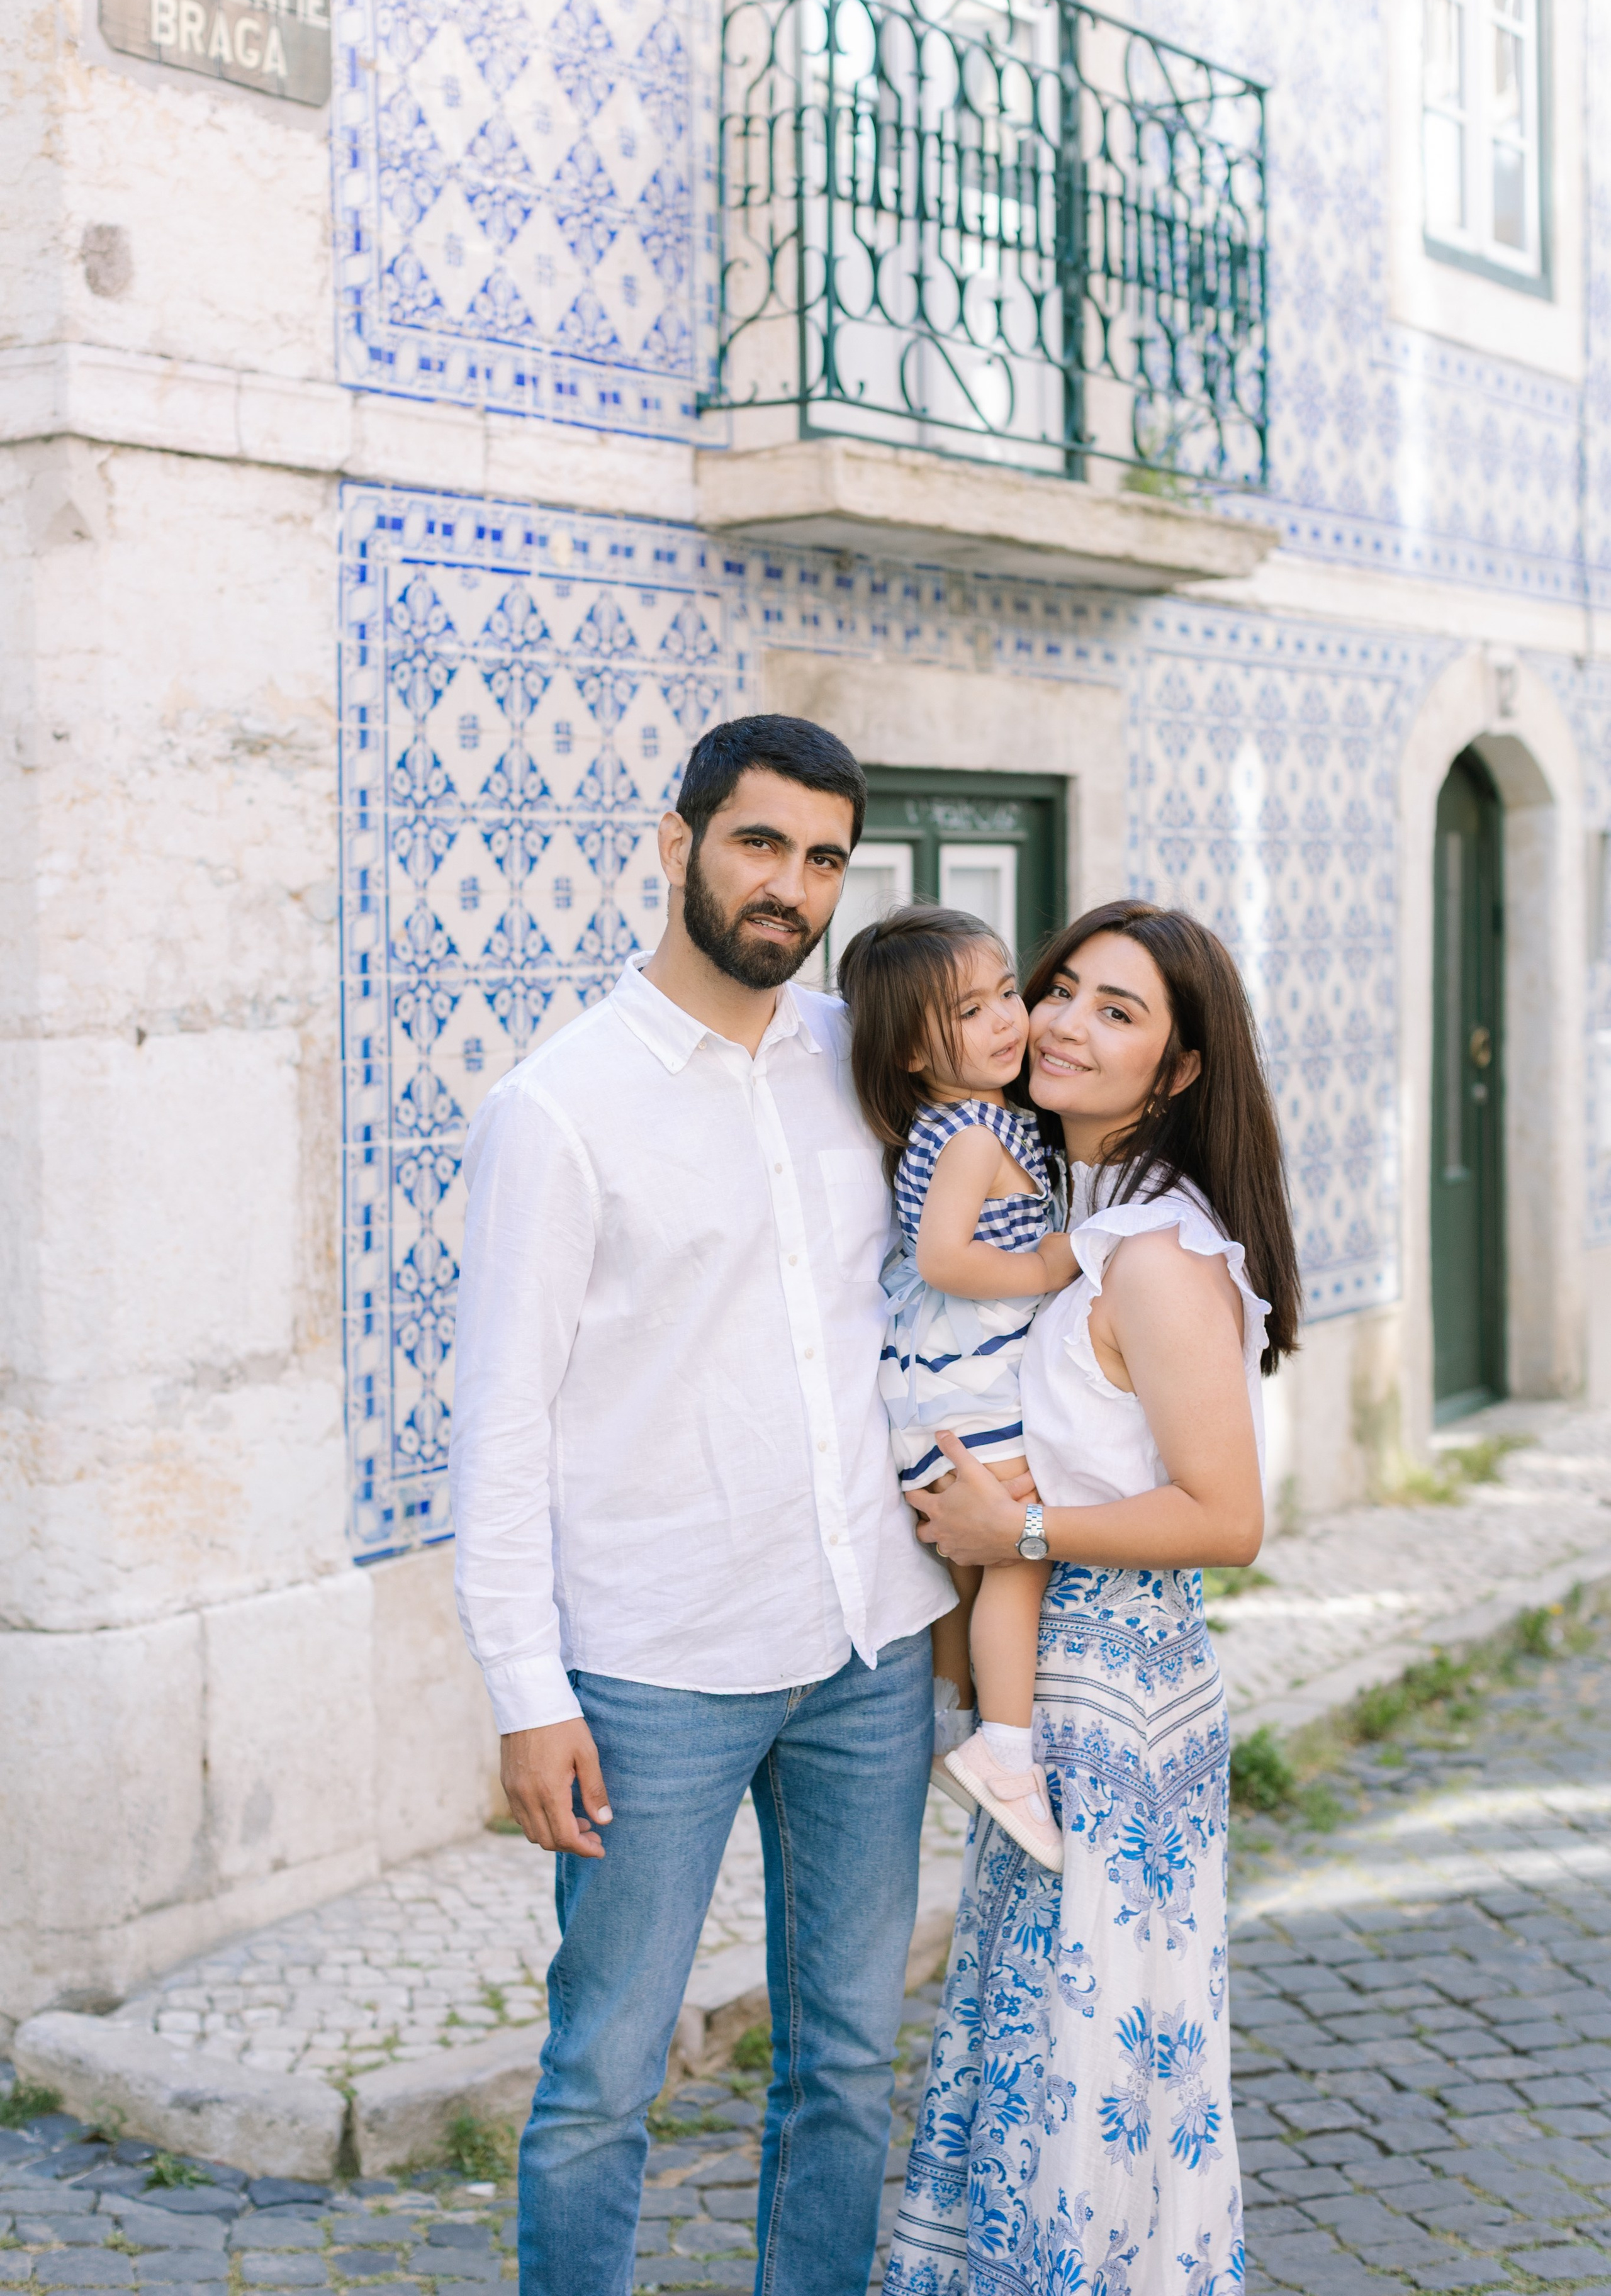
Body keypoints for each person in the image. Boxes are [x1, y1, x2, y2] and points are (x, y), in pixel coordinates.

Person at [447, 712, 954, 2296]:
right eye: (758, 844)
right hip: (651, 1670)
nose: (788, 888)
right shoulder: (560, 1108)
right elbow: (501, 1429)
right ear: (676, 844)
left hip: (867, 1650)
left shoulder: (854, 1063)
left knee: (849, 2063)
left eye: (821, 860)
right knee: (604, 2074)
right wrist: (531, 1698)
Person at [883, 900, 1302, 2296]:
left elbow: (1225, 1518)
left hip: (1112, 1701)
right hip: (1051, 1690)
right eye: (1058, 990)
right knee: (1037, 2046)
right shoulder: (1068, 1216)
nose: (1060, 1023)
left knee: (1093, 2062)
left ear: (1177, 1071)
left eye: (1115, 1012)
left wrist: (1024, 1527)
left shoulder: (1157, 1258)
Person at [837, 904, 1077, 1871]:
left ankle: (953, 1716)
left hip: (935, 1393)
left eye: (1005, 993)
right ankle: (1004, 1753)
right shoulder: (977, 1134)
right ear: (907, 1050)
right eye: (970, 1011)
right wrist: (1049, 1266)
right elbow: (943, 1258)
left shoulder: (957, 1123)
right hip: (968, 1393)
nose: (1008, 1020)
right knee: (1017, 1555)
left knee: (970, 1572)